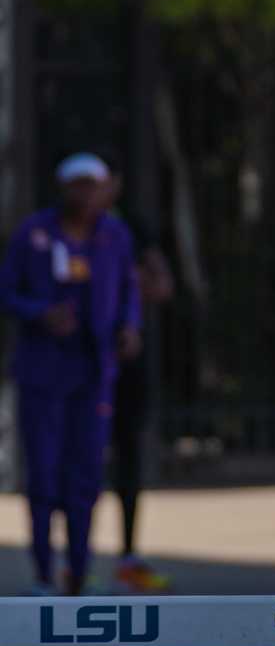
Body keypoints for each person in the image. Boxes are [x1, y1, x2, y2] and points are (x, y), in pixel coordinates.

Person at [3, 154, 142, 594]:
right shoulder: (35, 233)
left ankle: (79, 571)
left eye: (92, 185)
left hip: (93, 370)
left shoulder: (114, 234)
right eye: (77, 185)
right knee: (43, 473)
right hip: (43, 372)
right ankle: (44, 571)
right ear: (63, 187)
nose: (85, 194)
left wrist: (129, 327)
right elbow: (7, 290)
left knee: (85, 475)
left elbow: (128, 289)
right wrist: (41, 312)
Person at [107, 169, 176, 591]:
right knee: (70, 468)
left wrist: (134, 282)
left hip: (125, 363)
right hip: (75, 367)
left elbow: (162, 284)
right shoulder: (53, 225)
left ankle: (129, 557)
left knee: (128, 455)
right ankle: (67, 565)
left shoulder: (132, 227)